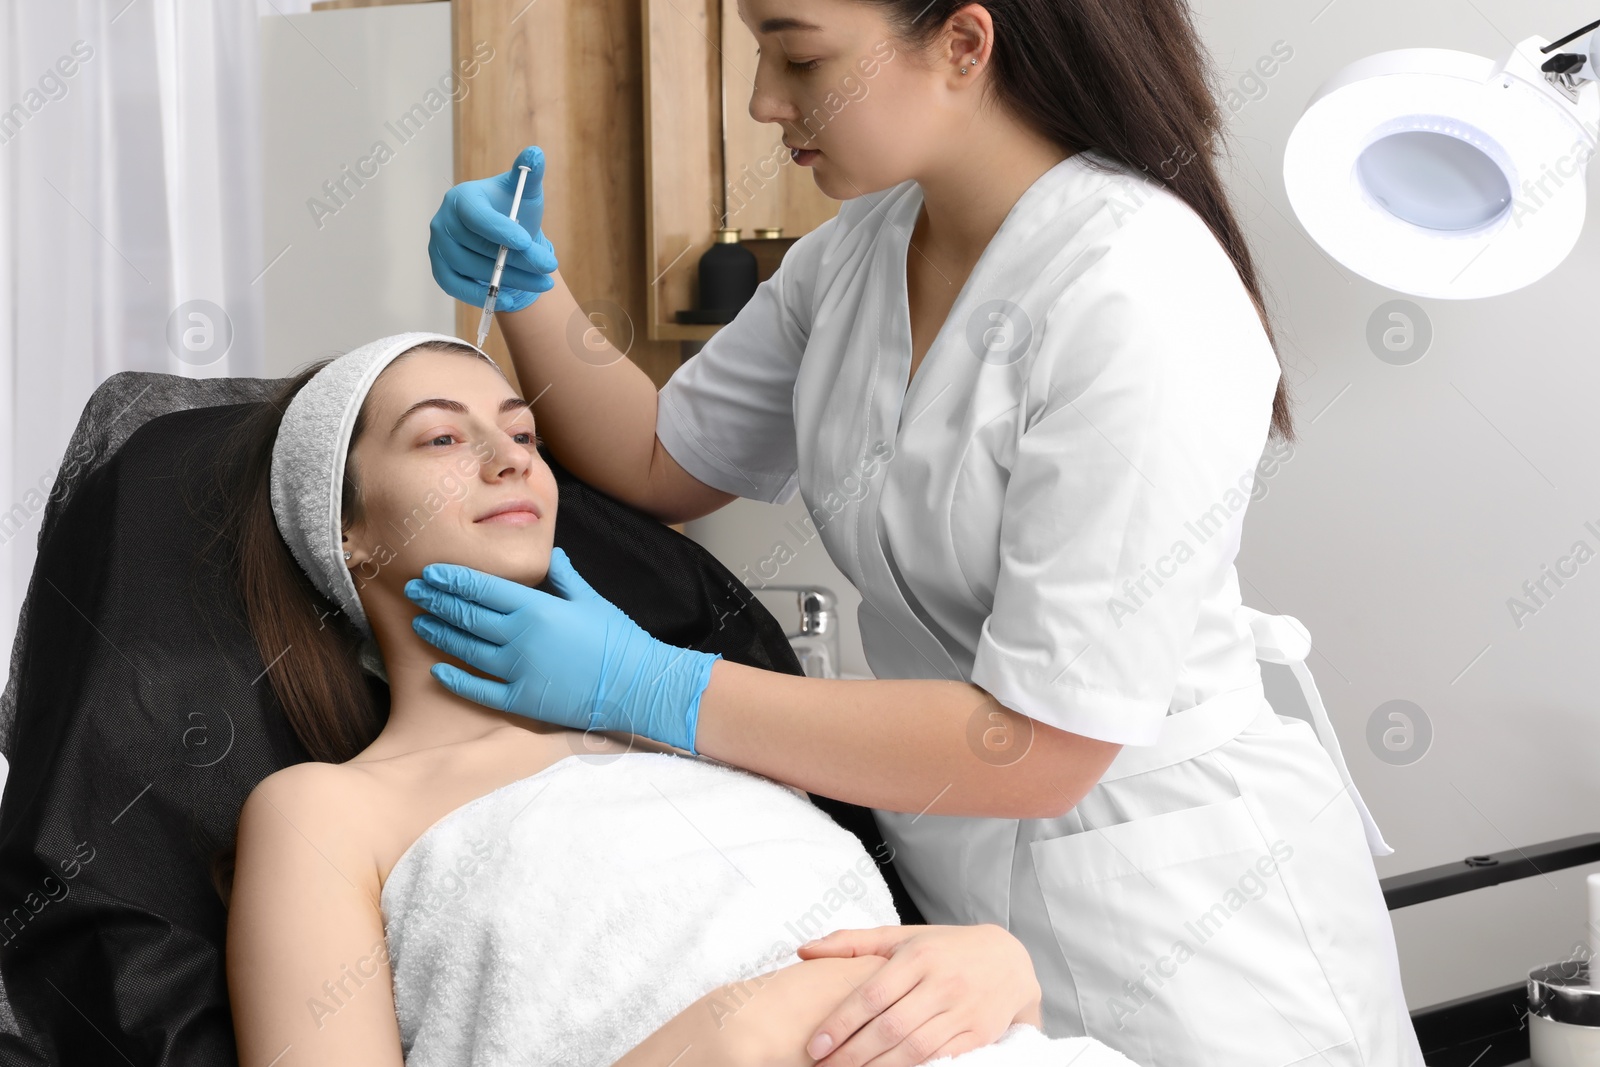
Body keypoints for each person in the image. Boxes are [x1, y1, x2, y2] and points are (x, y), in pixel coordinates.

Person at [422, 1, 1428, 1064]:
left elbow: (1036, 743)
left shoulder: (1138, 287)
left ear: (963, 42)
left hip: (1191, 919)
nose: (765, 100)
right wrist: (528, 290)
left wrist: (646, 683)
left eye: (797, 56)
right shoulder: (852, 256)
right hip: (959, 913)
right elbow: (665, 459)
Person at [221, 333, 1142, 1067]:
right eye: (442, 437)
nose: (509, 460)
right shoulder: (325, 813)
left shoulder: (680, 726)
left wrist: (999, 969)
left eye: (524, 435)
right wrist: (729, 1040)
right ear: (345, 528)